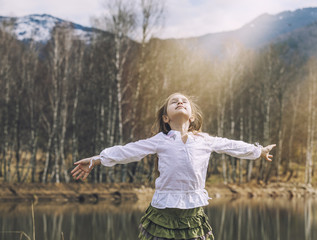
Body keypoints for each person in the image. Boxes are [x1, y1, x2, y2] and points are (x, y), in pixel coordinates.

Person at [71, 92, 276, 240]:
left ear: (192, 116)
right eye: (174, 101)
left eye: (184, 101)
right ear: (166, 118)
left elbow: (231, 146)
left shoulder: (204, 140)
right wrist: (96, 159)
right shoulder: (161, 140)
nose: (180, 102)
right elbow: (129, 150)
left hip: (193, 214)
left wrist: (258, 151)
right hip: (164, 213)